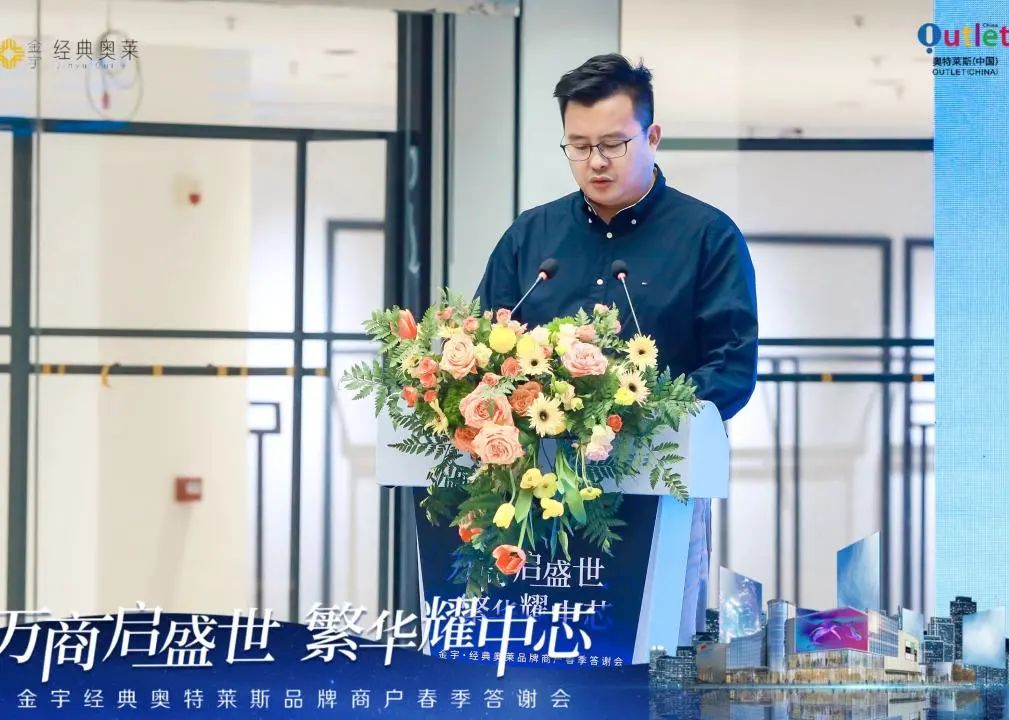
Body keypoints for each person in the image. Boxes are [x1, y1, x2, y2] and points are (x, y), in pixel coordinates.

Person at [476, 53, 758, 644]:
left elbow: (731, 368)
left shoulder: (707, 236)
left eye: (612, 144)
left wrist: (631, 411)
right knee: (538, 653)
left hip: (662, 485)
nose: (596, 161)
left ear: (652, 137)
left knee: (655, 659)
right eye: (578, 146)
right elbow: (484, 349)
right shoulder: (530, 236)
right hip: (532, 493)